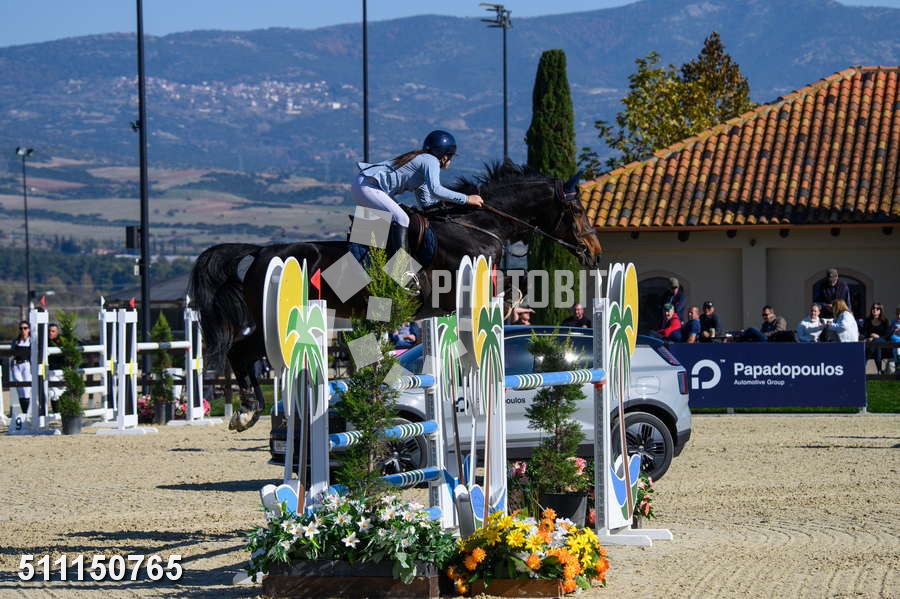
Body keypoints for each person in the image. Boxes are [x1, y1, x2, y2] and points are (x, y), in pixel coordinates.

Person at [353, 130, 484, 258]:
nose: (450, 160)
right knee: (402, 219)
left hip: (366, 184)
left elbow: (426, 203)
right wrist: (466, 199)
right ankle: (400, 268)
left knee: (378, 234)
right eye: (451, 156)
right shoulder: (431, 160)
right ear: (444, 156)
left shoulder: (422, 166)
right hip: (369, 186)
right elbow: (436, 190)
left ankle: (362, 262)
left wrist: (455, 207)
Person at [10, 320, 32, 413]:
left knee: (26, 389)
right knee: (20, 389)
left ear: (29, 329)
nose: (23, 330)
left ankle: (26, 412)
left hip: (26, 365)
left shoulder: (31, 341)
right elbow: (12, 353)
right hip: (16, 365)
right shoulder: (15, 341)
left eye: (25, 328)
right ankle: (24, 413)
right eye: (21, 328)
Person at [861, 302, 890, 372]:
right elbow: (864, 333)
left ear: (880, 310)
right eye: (873, 308)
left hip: (882, 341)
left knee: (876, 342)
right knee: (877, 347)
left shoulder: (885, 321)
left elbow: (887, 335)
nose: (875, 310)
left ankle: (862, 367)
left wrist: (878, 336)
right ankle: (879, 371)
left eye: (877, 308)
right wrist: (869, 337)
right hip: (871, 342)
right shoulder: (867, 320)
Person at [889, 305, 900, 374]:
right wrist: (894, 330)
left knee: (896, 348)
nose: (899, 316)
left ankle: (897, 366)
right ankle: (897, 367)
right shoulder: (893, 321)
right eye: (898, 314)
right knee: (896, 348)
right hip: (896, 339)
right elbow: (889, 332)